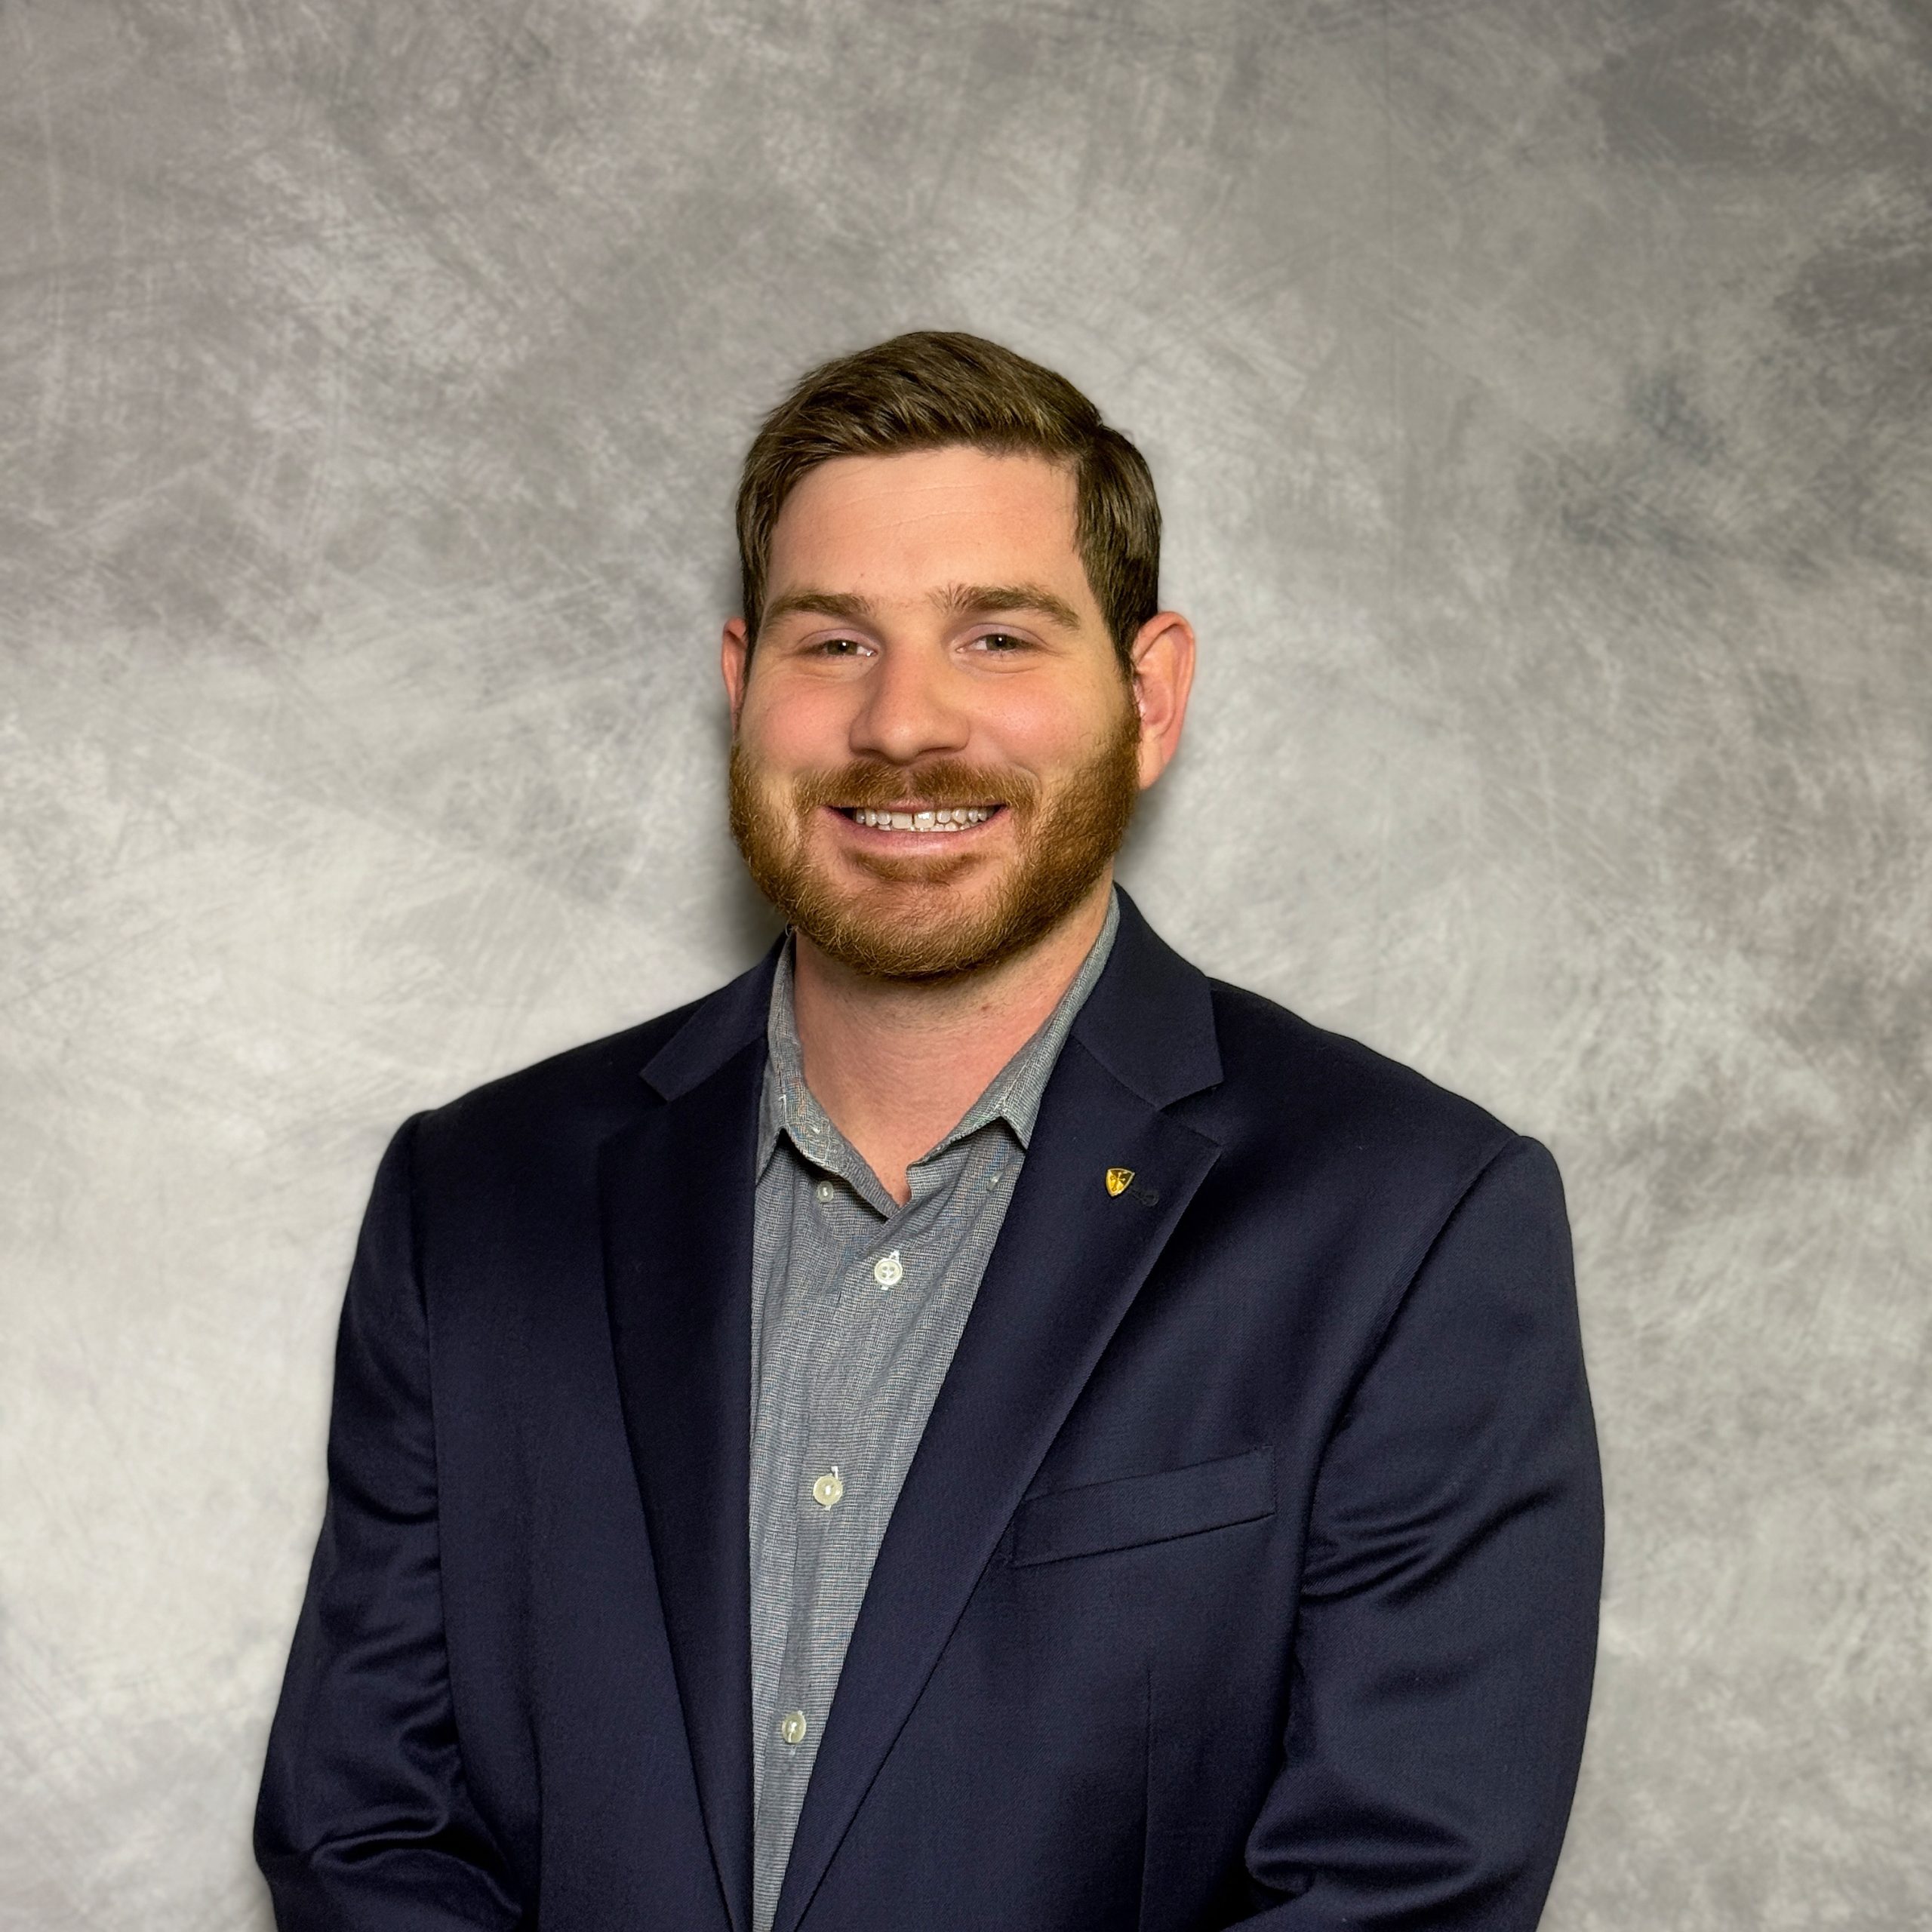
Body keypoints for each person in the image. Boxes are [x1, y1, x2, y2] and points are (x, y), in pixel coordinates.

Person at [255, 331, 1602, 1932]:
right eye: (835, 641)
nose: (902, 722)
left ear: (1149, 695)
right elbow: (365, 1828)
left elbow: (1401, 1891)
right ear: (742, 684)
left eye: (996, 637)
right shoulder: (475, 1199)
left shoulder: (1409, 1221)